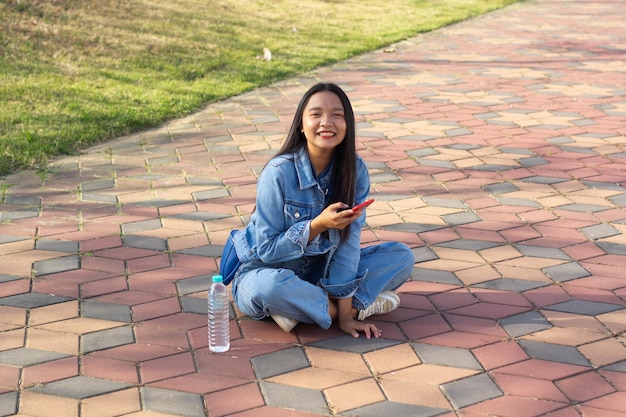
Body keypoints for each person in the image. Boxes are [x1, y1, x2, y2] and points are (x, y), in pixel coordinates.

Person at [230, 82, 415, 338]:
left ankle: (304, 308)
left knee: (400, 256)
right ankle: (347, 309)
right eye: (316, 114)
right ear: (301, 125)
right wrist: (317, 226)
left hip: (321, 274)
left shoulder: (355, 170)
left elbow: (349, 245)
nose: (326, 122)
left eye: (337, 115)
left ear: (347, 125)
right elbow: (265, 250)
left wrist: (340, 295)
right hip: (265, 272)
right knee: (267, 288)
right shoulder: (278, 173)